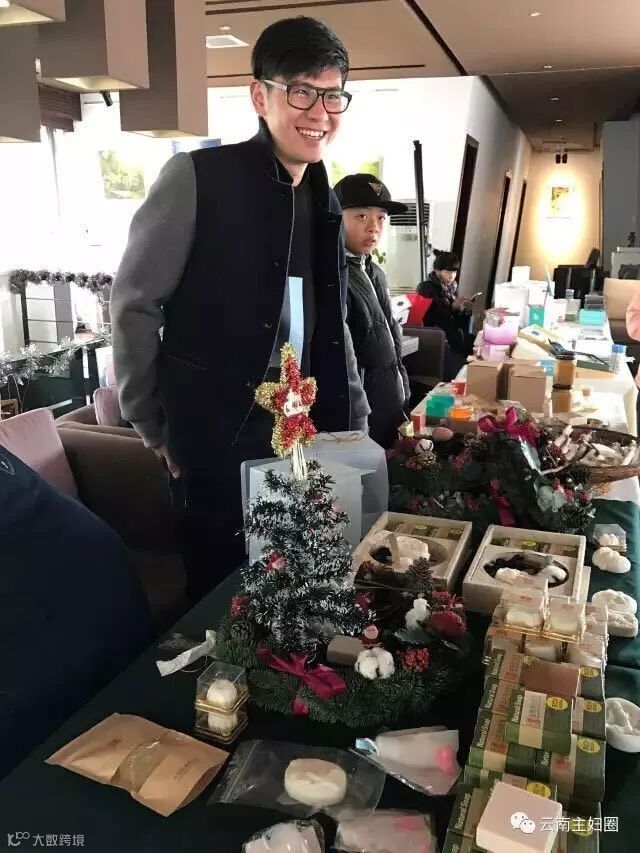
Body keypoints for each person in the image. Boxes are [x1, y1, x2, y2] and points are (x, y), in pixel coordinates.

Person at [110, 17, 369, 600]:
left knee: (296, 586)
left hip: (303, 430)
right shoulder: (198, 178)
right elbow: (134, 303)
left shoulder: (323, 199)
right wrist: (150, 422)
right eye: (301, 91)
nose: (319, 112)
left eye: (333, 95)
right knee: (220, 591)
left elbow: (332, 322)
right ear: (259, 95)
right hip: (216, 432)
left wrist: (354, 416)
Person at [333, 173, 410, 448]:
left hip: (389, 405)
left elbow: (391, 336)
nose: (373, 228)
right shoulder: (334, 275)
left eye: (381, 218)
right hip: (360, 418)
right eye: (362, 216)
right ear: (335, 218)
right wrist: (359, 419)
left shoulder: (375, 271)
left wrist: (403, 388)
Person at [416, 250, 474, 378]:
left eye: (454, 272)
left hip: (453, 338)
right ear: (437, 271)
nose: (452, 275)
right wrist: (451, 308)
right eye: (448, 271)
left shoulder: (451, 289)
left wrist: (466, 310)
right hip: (438, 341)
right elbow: (426, 320)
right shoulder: (426, 288)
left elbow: (457, 323)